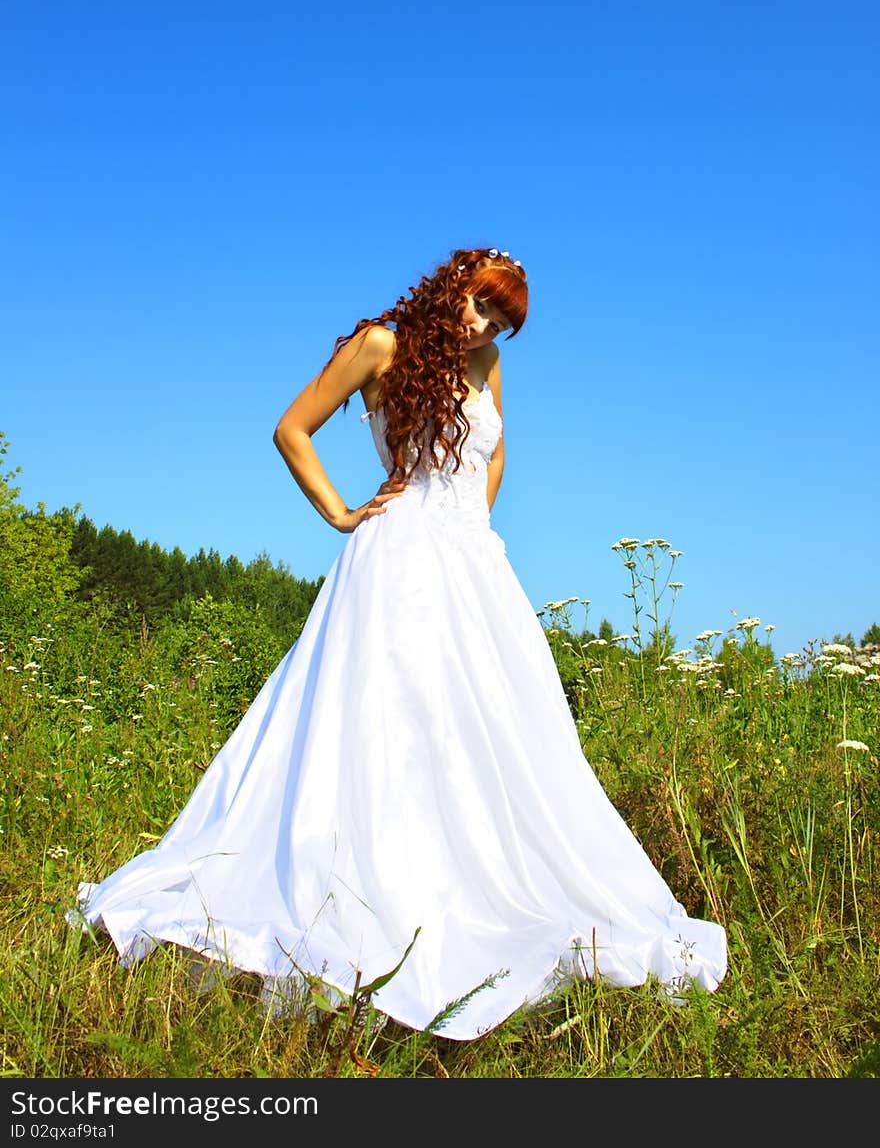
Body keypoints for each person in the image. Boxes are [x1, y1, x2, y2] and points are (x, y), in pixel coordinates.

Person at [67, 245, 727, 1040]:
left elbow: (498, 450)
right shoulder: (383, 344)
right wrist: (344, 514)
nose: (483, 324)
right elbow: (292, 429)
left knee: (494, 738)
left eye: (501, 319)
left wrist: (472, 525)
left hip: (473, 566)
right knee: (388, 728)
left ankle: (476, 895)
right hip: (397, 557)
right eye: (480, 303)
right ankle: (373, 909)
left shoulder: (485, 364)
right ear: (452, 283)